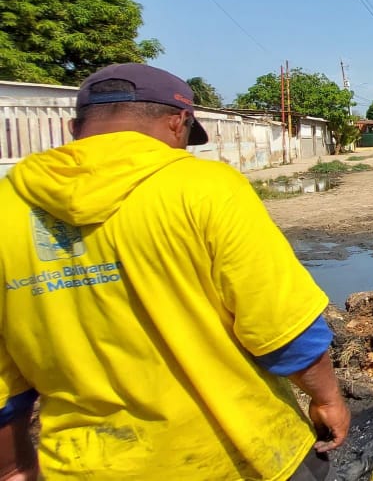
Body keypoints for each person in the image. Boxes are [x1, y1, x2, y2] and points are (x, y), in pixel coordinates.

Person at [0, 63, 349, 481]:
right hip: (235, 455)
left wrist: (14, 465)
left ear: (75, 127)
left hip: (87, 466)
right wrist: (328, 398)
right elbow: (283, 328)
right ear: (178, 122)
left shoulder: (8, 207)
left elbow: (6, 387)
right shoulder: (206, 187)